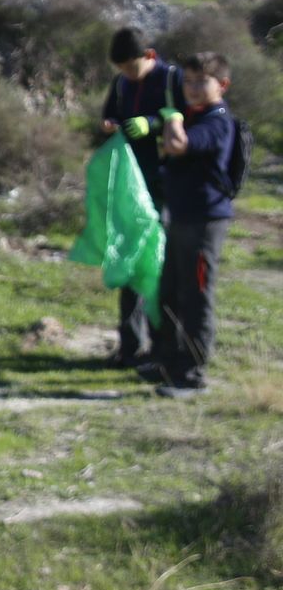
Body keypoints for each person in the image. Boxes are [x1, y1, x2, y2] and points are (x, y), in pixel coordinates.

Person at [141, 52, 236, 398]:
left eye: (201, 82)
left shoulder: (217, 119)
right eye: (188, 82)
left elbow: (178, 145)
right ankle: (167, 360)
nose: (193, 89)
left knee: (196, 295)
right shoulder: (195, 115)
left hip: (205, 221)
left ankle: (192, 376)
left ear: (222, 85)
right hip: (181, 217)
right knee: (169, 291)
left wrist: (172, 120)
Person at [98, 26, 184, 367]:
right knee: (129, 262)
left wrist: (153, 123)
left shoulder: (171, 79)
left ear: (148, 56)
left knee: (156, 265)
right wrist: (109, 123)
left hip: (163, 183)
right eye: (121, 70)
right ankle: (129, 346)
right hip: (129, 184)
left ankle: (161, 348)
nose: (128, 75)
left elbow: (184, 118)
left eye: (132, 68)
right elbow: (110, 112)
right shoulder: (120, 83)